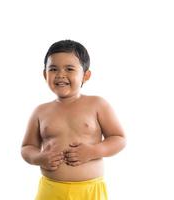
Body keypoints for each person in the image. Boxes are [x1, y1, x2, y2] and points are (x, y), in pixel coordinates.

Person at [21, 39, 126, 200]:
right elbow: (27, 147)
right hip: (51, 188)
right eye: (53, 69)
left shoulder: (97, 104)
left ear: (86, 75)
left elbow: (119, 139)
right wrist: (39, 158)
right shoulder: (40, 111)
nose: (60, 74)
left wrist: (93, 151)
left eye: (69, 69)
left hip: (90, 190)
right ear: (45, 74)